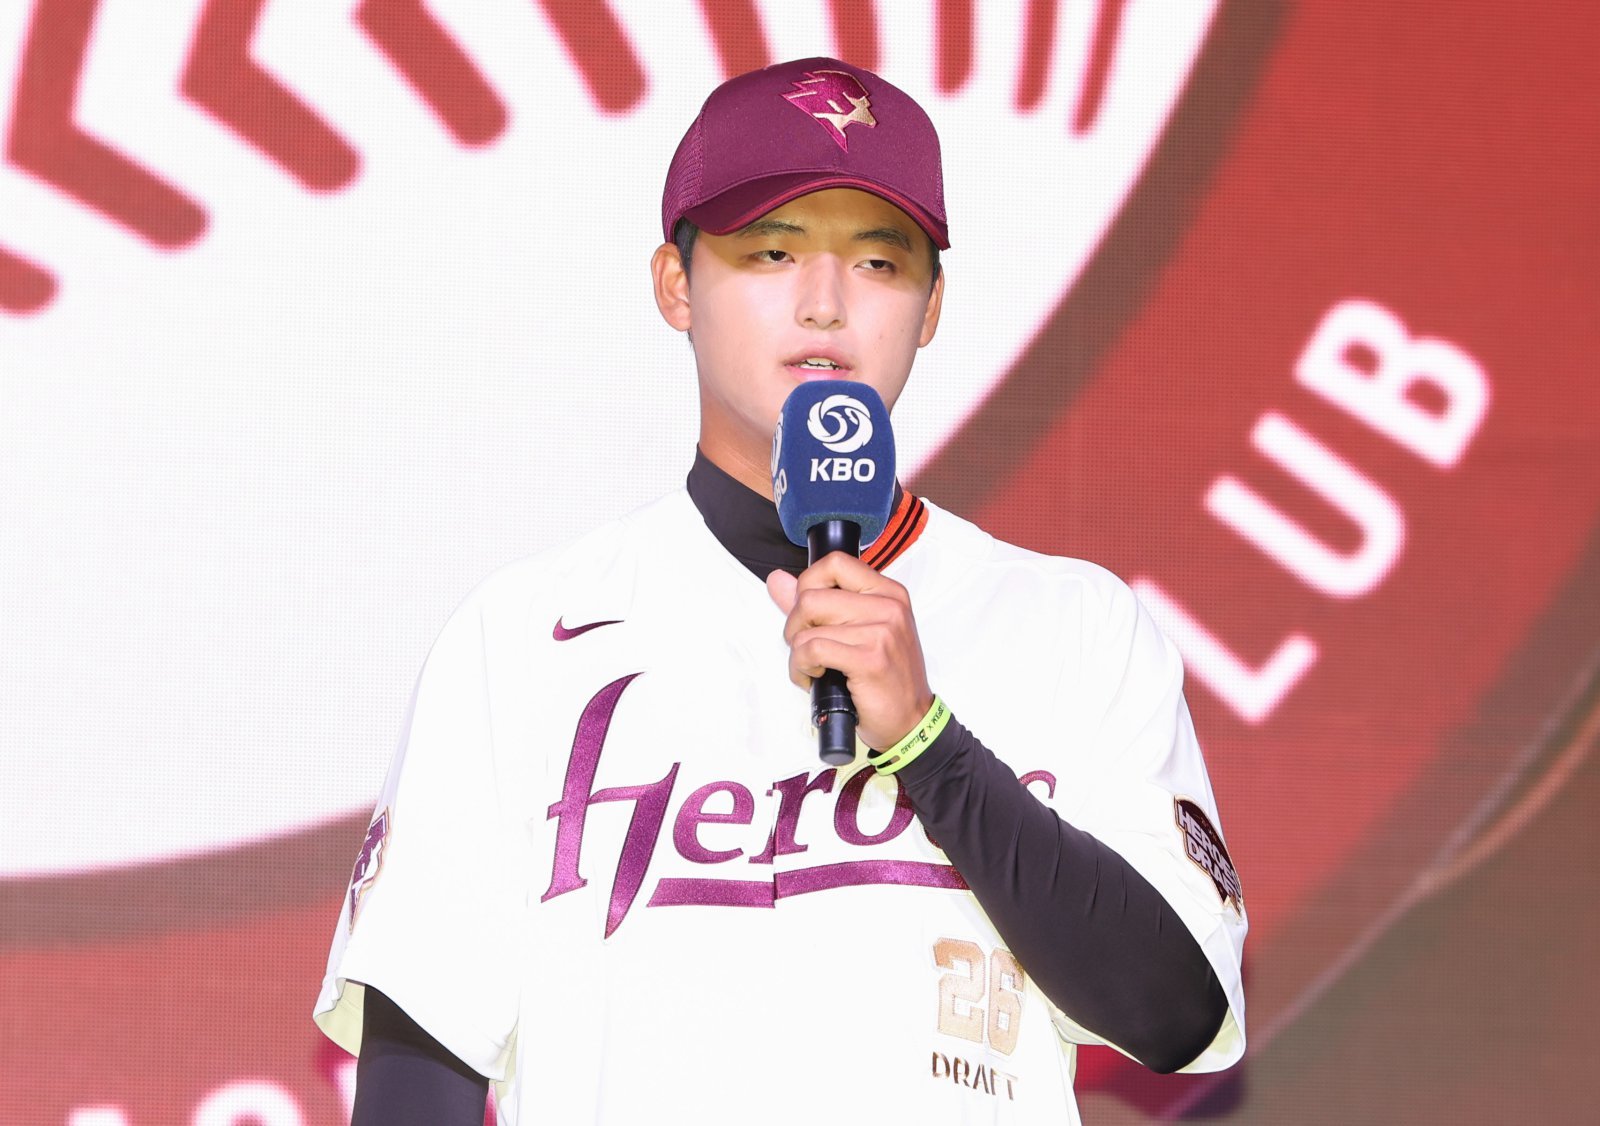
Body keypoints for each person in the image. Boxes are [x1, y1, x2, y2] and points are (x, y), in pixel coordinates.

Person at [314, 57, 1246, 1125]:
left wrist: (929, 742)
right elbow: (418, 1079)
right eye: (771, 252)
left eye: (879, 262)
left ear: (931, 307)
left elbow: (1177, 1017)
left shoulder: (1073, 624)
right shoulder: (523, 637)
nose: (824, 304)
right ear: (676, 285)